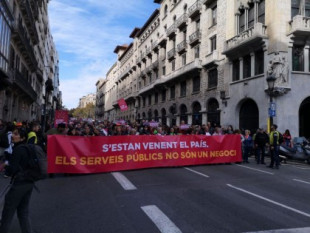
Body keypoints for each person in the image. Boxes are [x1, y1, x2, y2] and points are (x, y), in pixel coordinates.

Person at [0, 127, 35, 233]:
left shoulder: (18, 150)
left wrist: (6, 166)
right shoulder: (28, 148)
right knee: (23, 211)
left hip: (19, 184)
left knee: (7, 212)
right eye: (13, 134)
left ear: (22, 138)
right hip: (29, 182)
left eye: (16, 134)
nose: (13, 136)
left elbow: (12, 170)